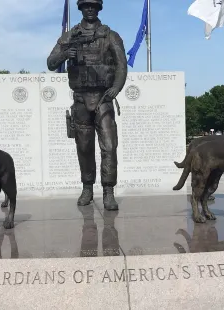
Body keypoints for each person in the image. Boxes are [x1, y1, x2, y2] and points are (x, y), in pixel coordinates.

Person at [46, 0, 128, 211]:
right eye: (86, 6)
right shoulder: (69, 36)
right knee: (84, 147)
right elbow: (51, 62)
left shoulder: (110, 35)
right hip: (81, 99)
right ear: (81, 9)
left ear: (98, 9)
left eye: (93, 6)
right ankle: (87, 188)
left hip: (103, 99)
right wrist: (66, 54)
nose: (89, 9)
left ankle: (108, 191)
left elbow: (121, 65)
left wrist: (116, 88)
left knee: (109, 146)